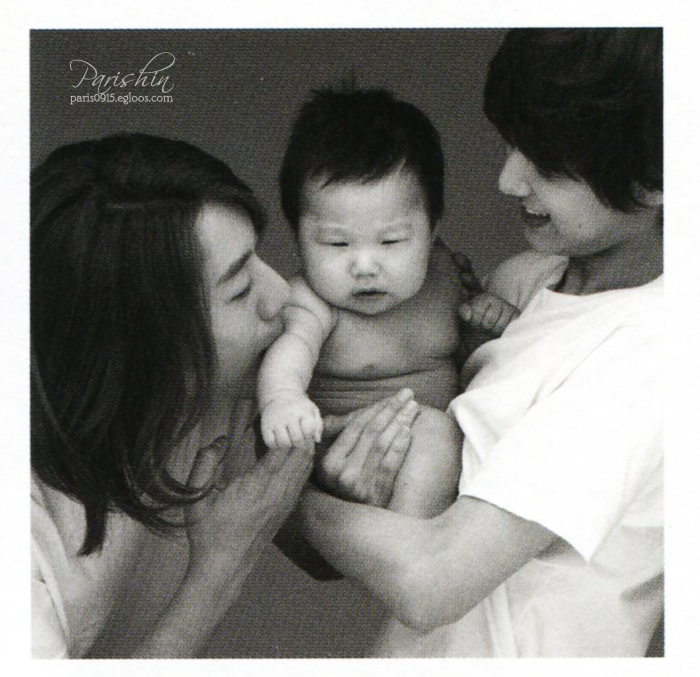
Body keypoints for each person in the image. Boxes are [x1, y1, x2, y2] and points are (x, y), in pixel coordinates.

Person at [296, 28, 663, 657]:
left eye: (546, 161)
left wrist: (271, 490)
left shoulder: (653, 350)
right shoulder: (528, 283)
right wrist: (349, 490)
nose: (508, 179)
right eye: (513, 145)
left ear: (656, 178)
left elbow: (430, 583)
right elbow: (378, 550)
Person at [30, 132, 418, 658]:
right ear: (142, 345)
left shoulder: (220, 395)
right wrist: (219, 568)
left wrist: (333, 487)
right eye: (239, 290)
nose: (282, 295)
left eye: (257, 258)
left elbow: (317, 554)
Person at [258, 88, 518, 515]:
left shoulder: (445, 276)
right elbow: (290, 355)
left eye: (392, 241)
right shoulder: (311, 303)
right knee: (433, 429)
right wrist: (283, 400)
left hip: (441, 455)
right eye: (337, 243)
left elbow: (471, 363)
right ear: (297, 237)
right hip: (345, 450)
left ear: (433, 230)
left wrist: (483, 325)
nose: (364, 266)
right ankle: (412, 539)